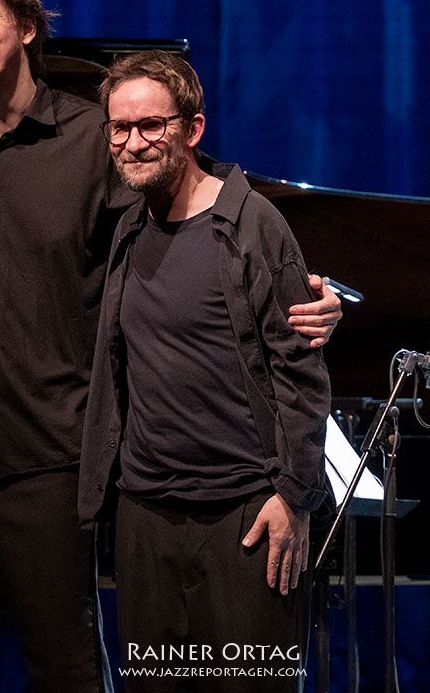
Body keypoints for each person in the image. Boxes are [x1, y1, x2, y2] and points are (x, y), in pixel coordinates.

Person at [0, 0, 342, 693]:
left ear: (27, 28)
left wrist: (312, 291)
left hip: (54, 455)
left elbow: (183, 196)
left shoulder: (97, 135)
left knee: (74, 669)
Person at [78, 50, 330, 691]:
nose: (132, 143)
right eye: (119, 128)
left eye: (150, 126)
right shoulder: (129, 228)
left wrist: (293, 499)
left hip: (245, 518)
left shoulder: (254, 227)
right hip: (146, 518)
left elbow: (301, 373)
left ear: (192, 129)